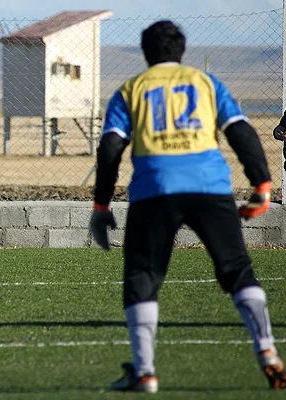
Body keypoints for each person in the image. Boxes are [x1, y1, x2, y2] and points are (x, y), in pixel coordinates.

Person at [89, 20, 286, 393]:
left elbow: (111, 148)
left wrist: (101, 205)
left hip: (155, 190)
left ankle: (145, 372)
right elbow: (241, 131)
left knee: (142, 277)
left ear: (145, 53)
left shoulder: (131, 89)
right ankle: (266, 349)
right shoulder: (206, 83)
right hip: (209, 188)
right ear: (181, 51)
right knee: (237, 269)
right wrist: (261, 184)